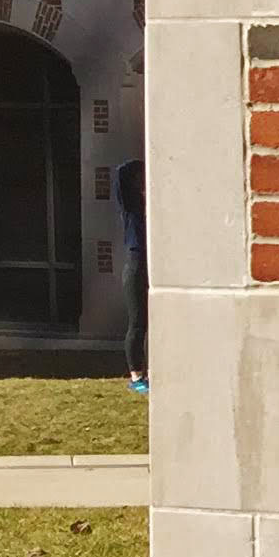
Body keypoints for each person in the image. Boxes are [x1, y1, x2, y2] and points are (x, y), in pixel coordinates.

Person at [116, 156, 149, 395]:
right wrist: (141, 164)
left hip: (148, 263)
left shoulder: (148, 206)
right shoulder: (131, 207)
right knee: (136, 323)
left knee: (146, 322)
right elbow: (120, 174)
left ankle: (145, 371)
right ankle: (136, 375)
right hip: (136, 263)